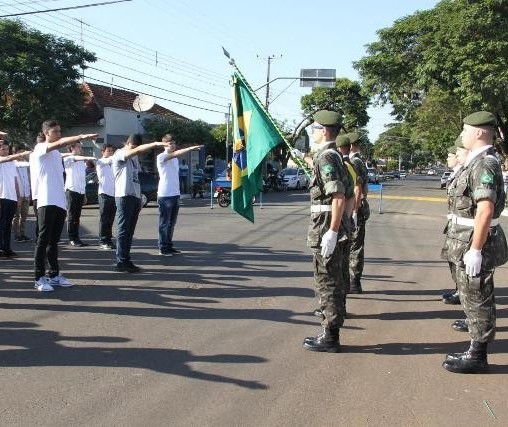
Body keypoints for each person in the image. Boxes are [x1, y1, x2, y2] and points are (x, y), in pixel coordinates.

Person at [442, 111, 507, 374]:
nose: (463, 135)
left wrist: (476, 250)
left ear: (479, 132)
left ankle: (478, 356)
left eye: (466, 130)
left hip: (474, 241)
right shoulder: (476, 162)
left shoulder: (485, 164)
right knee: (472, 295)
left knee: (478, 296)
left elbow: (485, 209)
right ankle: (474, 347)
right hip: (465, 239)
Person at [297, 110, 351, 353]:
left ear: (324, 131)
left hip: (326, 227)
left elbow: (339, 196)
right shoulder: (334, 156)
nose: (312, 132)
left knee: (327, 281)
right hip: (334, 225)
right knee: (335, 279)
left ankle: (330, 335)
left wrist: (332, 230)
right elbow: (347, 197)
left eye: (315, 129)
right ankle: (332, 328)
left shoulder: (327, 158)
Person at [33, 120, 97, 291]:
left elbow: (66, 153)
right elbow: (61, 143)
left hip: (59, 201)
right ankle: (39, 278)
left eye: (60, 131)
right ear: (46, 133)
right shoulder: (40, 148)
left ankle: (54, 275)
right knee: (42, 240)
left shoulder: (56, 155)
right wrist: (82, 136)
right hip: (46, 200)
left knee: (54, 241)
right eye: (55, 131)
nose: (59, 134)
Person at [112, 134, 168, 273]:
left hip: (134, 197)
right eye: (133, 147)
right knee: (123, 230)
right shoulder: (120, 153)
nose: (135, 150)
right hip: (124, 196)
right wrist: (155, 144)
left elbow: (135, 178)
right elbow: (133, 151)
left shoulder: (134, 158)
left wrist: (139, 198)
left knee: (129, 231)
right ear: (128, 143)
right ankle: (121, 261)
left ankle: (126, 259)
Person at [440, 137, 470, 333]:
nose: (452, 157)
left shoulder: (479, 167)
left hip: (467, 229)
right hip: (457, 226)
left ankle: (475, 321)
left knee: (470, 277)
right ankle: (461, 294)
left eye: (453, 154)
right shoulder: (460, 172)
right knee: (456, 265)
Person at [156, 134, 203, 256]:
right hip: (165, 194)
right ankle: (162, 247)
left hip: (175, 194)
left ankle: (169, 245)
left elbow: (175, 156)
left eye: (174, 143)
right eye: (170, 143)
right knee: (164, 223)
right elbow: (174, 154)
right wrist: (190, 148)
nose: (173, 145)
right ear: (164, 145)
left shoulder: (175, 160)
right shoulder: (161, 157)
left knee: (171, 223)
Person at [346, 132, 370, 294]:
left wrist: (354, 209)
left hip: (356, 208)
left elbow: (358, 188)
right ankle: (353, 281)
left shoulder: (354, 162)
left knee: (354, 246)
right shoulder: (359, 161)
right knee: (355, 245)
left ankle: (354, 281)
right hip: (359, 206)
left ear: (351, 145)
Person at [0, 139, 32, 258]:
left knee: (7, 225)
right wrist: (22, 154)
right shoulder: (2, 160)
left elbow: (15, 180)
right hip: (1, 197)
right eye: (2, 148)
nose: (5, 151)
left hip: (12, 197)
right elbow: (7, 158)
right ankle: (1, 249)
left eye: (7, 149)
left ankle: (7, 249)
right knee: (2, 225)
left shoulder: (12, 163)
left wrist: (18, 196)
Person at [64, 142, 96, 247]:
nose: (80, 149)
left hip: (80, 191)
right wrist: (87, 157)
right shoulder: (68, 159)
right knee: (71, 216)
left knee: (77, 217)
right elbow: (75, 158)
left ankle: (76, 237)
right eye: (78, 147)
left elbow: (82, 180)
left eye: (81, 147)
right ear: (72, 147)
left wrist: (85, 194)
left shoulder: (81, 162)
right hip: (71, 190)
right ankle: (72, 238)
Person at [96, 143, 116, 250]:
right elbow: (110, 159)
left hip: (113, 194)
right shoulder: (100, 162)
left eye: (111, 151)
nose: (110, 153)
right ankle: (103, 240)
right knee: (104, 218)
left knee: (110, 219)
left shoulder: (112, 164)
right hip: (104, 194)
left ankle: (108, 239)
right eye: (108, 151)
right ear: (103, 152)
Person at [12, 144, 32, 242]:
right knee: (16, 215)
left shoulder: (25, 162)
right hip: (17, 194)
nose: (22, 155)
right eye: (21, 152)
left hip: (26, 193)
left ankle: (22, 233)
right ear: (15, 153)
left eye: (23, 152)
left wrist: (30, 191)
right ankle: (16, 234)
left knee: (24, 215)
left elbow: (28, 178)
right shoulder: (13, 162)